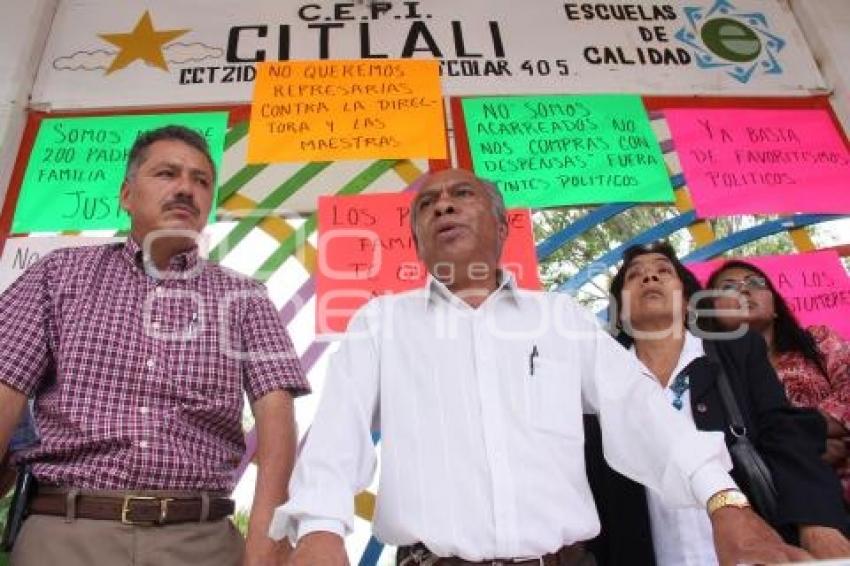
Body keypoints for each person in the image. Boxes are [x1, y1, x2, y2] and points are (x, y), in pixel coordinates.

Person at [270, 168, 812, 566]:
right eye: (427, 204)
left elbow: (641, 409)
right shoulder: (382, 323)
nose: (442, 206)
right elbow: (338, 431)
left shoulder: (559, 318)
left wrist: (725, 502)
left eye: (462, 194)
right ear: (415, 242)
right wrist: (319, 528)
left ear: (502, 227)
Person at [0, 125, 309, 566]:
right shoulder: (57, 276)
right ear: (126, 195)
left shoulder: (246, 298)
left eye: (201, 181)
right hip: (65, 535)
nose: (186, 188)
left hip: (201, 543)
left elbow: (277, 412)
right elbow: (5, 389)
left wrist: (266, 537)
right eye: (167, 174)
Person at [584, 241, 850, 565]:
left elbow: (783, 435)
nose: (649, 278)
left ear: (688, 303)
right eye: (634, 276)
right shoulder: (599, 381)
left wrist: (817, 521)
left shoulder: (737, 352)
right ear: (620, 313)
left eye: (663, 271)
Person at [706, 259, 850, 505]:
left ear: (774, 307)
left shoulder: (818, 340)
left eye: (754, 283)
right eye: (728, 287)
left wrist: (797, 438)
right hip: (786, 510)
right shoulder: (711, 376)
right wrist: (807, 445)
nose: (744, 289)